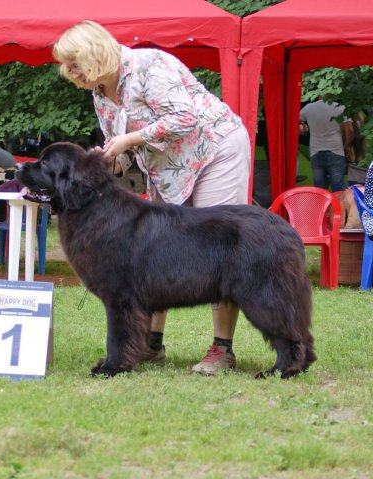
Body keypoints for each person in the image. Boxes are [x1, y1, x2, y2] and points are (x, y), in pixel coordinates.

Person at [53, 20, 251, 375]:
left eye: (74, 62)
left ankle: (222, 349)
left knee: (219, 246)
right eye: (66, 66)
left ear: (94, 52)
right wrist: (109, 161)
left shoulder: (150, 66)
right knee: (156, 250)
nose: (69, 72)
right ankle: (148, 345)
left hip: (214, 151)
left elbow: (184, 117)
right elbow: (124, 149)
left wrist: (130, 140)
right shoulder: (101, 93)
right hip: (167, 167)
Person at [299, 97, 353, 192]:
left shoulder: (309, 107)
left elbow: (295, 120)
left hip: (316, 151)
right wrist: (346, 146)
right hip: (336, 150)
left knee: (319, 189)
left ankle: (322, 206)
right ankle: (338, 207)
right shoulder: (339, 107)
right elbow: (350, 130)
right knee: (338, 187)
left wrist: (303, 128)